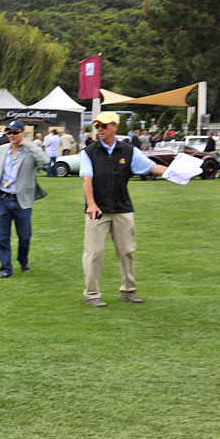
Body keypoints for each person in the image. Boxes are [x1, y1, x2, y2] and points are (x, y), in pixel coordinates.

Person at [80, 112, 168, 307]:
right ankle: (92, 294)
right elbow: (87, 178)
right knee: (93, 252)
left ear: (114, 127)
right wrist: (91, 203)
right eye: (97, 126)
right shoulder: (89, 152)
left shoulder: (129, 151)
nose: (99, 129)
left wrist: (181, 172)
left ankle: (129, 291)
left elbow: (152, 167)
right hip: (98, 210)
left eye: (103, 126)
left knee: (127, 251)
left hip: (122, 208)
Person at [0, 120, 49, 280]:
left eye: (15, 132)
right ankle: (5, 269)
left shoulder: (30, 150)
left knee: (24, 236)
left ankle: (23, 261)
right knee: (2, 237)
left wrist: (28, 144)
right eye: (9, 132)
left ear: (23, 133)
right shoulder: (2, 149)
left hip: (21, 200)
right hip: (3, 198)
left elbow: (45, 161)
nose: (12, 135)